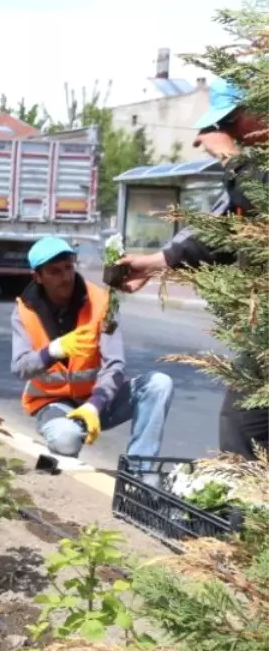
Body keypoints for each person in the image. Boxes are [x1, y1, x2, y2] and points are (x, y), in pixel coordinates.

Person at [115, 78, 269, 459]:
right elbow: (222, 229)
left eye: (230, 123)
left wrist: (234, 158)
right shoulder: (252, 168)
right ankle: (249, 511)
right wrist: (152, 265)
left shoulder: (250, 167)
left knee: (244, 425)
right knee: (244, 424)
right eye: (221, 127)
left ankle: (248, 512)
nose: (223, 135)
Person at [11, 236, 174, 463]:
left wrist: (93, 406)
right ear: (37, 277)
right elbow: (20, 368)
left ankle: (139, 474)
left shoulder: (101, 302)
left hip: (99, 400)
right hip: (55, 404)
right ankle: (63, 441)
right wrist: (54, 350)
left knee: (158, 384)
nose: (66, 277)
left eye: (68, 267)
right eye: (55, 271)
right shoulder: (24, 311)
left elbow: (114, 364)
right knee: (66, 438)